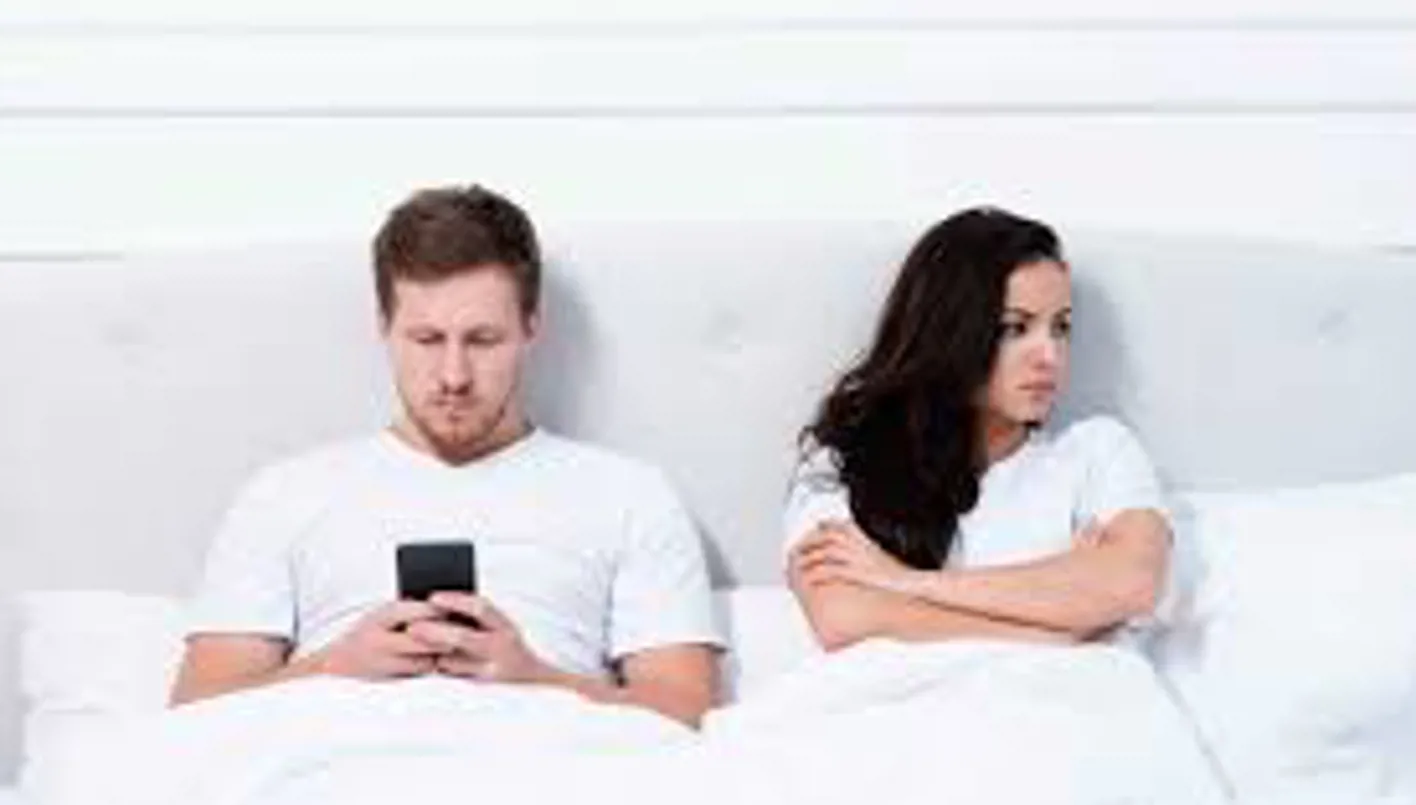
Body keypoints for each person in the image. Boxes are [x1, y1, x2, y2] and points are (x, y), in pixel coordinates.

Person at [170, 184, 723, 727]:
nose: (454, 376)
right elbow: (197, 711)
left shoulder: (628, 495)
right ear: (384, 328)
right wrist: (333, 667)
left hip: (546, 764)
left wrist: (537, 677)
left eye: (482, 340)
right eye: (427, 340)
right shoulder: (284, 495)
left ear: (531, 328)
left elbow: (688, 709)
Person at [784, 207, 1171, 651]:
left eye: (1061, 327)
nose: (1049, 355)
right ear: (948, 330)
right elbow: (843, 617)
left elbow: (1133, 582)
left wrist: (906, 581)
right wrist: (1062, 626)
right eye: (1016, 328)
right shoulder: (842, 459)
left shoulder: (1098, 450)